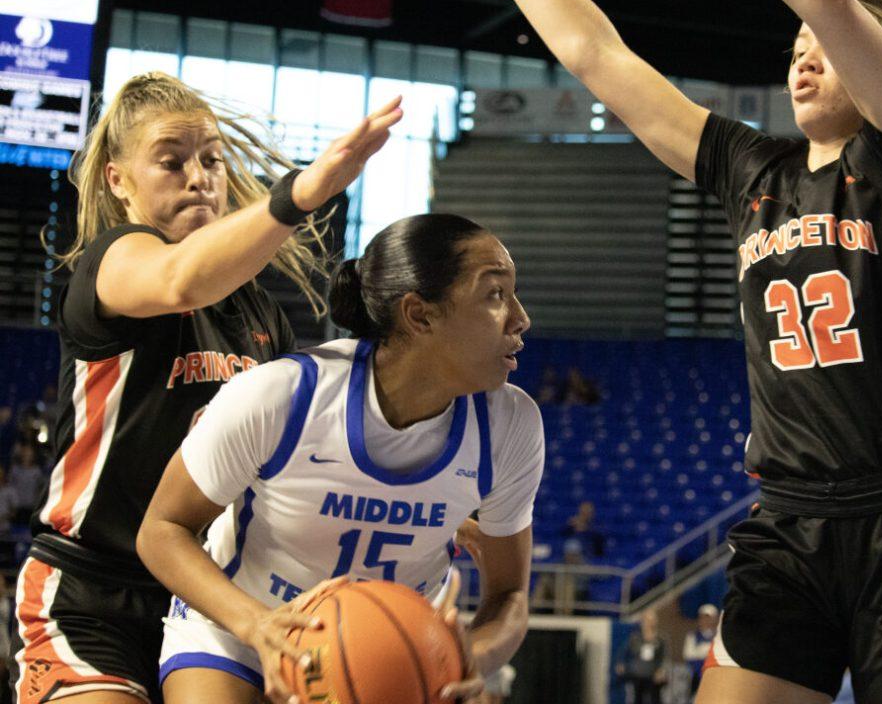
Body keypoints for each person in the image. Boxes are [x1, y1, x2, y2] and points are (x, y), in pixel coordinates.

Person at [439, 0, 882, 701]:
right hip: (788, 525)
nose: (803, 60)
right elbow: (596, 55)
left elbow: (828, 0)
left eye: (823, 53)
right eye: (795, 52)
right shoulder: (754, 174)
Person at [9, 71, 403, 704]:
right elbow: (181, 281)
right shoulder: (113, 263)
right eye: (171, 162)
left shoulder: (261, 316)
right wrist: (300, 193)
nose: (200, 176)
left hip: (207, 595)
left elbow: (294, 455)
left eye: (213, 160)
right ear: (119, 180)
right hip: (91, 591)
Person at [138, 214, 540, 704]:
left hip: (387, 650)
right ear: (420, 315)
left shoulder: (512, 424)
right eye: (495, 294)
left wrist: (467, 656)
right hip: (239, 631)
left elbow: (509, 597)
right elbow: (161, 530)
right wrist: (256, 624)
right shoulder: (282, 396)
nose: (521, 318)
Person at [617, 611, 668, 704]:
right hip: (637, 674)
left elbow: (664, 657)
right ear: (642, 622)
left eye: (652, 620)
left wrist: (662, 670)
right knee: (637, 698)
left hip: (652, 675)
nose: (650, 623)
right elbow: (623, 652)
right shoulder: (635, 638)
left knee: (655, 699)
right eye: (647, 620)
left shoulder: (660, 639)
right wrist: (621, 664)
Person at [684, 605, 720, 695]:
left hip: (716, 679)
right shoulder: (692, 636)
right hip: (697, 678)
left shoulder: (720, 638)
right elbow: (688, 656)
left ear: (715, 619)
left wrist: (700, 652)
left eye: (709, 618)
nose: (705, 621)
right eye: (703, 617)